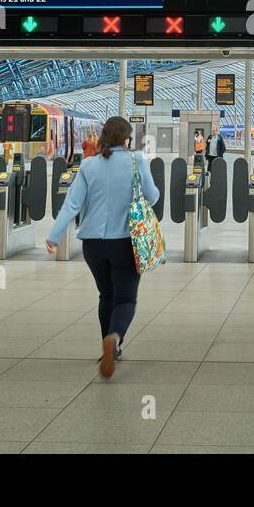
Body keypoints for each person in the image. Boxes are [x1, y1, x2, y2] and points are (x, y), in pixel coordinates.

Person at [45, 116, 159, 379]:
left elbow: (72, 205)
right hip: (125, 241)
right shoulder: (136, 160)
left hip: (92, 245)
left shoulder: (87, 165)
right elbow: (152, 197)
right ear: (126, 139)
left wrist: (54, 235)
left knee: (105, 296)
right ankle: (114, 340)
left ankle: (108, 347)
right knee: (125, 298)